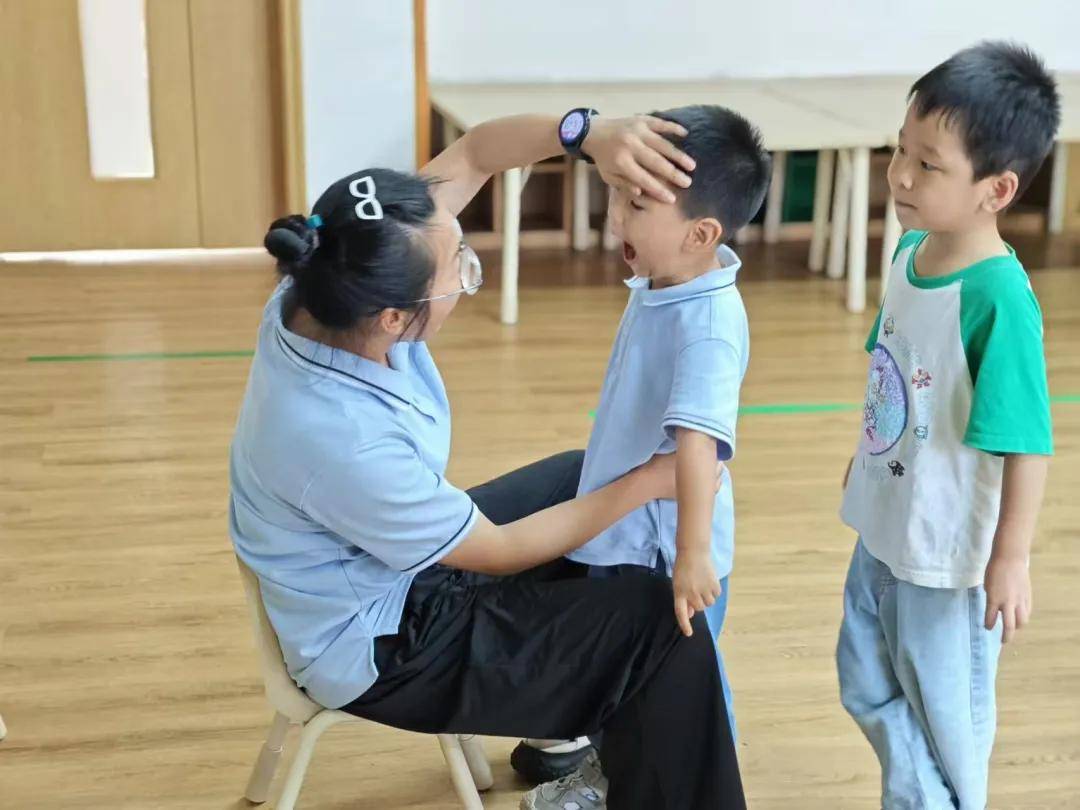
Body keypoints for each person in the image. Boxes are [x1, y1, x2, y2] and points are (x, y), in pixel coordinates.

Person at [229, 109, 746, 809]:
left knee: (581, 478)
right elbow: (499, 551)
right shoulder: (338, 437)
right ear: (391, 318)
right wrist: (649, 482)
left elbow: (476, 152)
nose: (464, 274)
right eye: (457, 274)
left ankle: (586, 720)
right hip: (385, 645)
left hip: (376, 563)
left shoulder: (336, 275)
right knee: (658, 623)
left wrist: (586, 134)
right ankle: (630, 742)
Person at [513, 105, 771, 800]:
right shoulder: (668, 281)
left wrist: (692, 554)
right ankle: (610, 765)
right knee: (627, 681)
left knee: (685, 689)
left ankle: (695, 784)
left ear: (701, 234)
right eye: (616, 195)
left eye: (635, 204)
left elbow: (698, 447)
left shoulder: (709, 324)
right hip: (625, 535)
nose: (616, 219)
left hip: (663, 555)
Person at [836, 41, 1058, 810]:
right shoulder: (905, 254)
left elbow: (1027, 441)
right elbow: (889, 373)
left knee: (947, 716)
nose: (899, 173)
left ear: (995, 190)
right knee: (864, 680)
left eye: (927, 164)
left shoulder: (998, 298)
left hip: (946, 556)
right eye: (902, 149)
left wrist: (1012, 557)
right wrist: (857, 464)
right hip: (882, 526)